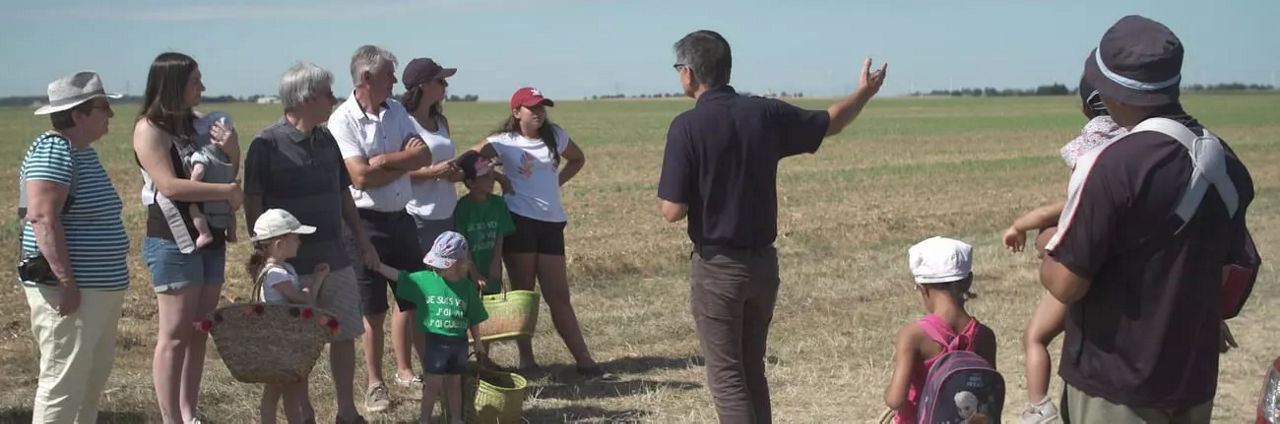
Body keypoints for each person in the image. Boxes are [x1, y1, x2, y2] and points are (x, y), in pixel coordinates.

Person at [656, 29, 885, 423]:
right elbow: (830, 123)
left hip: (718, 269)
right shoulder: (764, 114)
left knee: (727, 379)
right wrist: (863, 93)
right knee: (751, 372)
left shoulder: (686, 127)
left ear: (689, 73)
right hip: (763, 266)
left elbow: (672, 210)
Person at [1040, 15, 1255, 423]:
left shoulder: (1113, 165)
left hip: (1116, 387)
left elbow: (1066, 284)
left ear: (1113, 92)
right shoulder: (1226, 163)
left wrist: (1046, 245)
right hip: (1193, 381)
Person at [243, 62, 377, 424]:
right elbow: (252, 202)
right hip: (291, 267)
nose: (334, 100)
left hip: (336, 257)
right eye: (327, 94)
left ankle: (346, 411)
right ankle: (303, 414)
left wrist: (361, 237)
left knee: (344, 332)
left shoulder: (327, 139)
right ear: (304, 99)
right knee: (298, 344)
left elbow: (343, 193)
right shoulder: (266, 144)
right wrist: (264, 257)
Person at [1000, 76, 1126, 424]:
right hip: (1127, 274)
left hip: (1080, 268)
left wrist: (1023, 226)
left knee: (1035, 336)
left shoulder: (1090, 145)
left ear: (1084, 106)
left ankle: (1038, 407)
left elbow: (1072, 205)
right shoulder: (1143, 144)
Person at [133, 52, 242, 424]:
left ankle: (189, 414)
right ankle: (171, 419)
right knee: (175, 334)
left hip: (211, 236)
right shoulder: (149, 129)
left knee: (199, 331)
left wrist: (232, 149)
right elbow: (168, 186)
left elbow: (224, 170)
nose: (203, 87)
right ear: (174, 84)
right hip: (172, 238)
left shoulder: (198, 125)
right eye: (196, 81)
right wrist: (226, 192)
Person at [467, 86, 604, 378]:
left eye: (542, 107)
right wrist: (498, 177)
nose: (539, 112)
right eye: (532, 107)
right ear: (516, 112)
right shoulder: (503, 142)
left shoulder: (556, 136)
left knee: (559, 296)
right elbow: (469, 160)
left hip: (552, 223)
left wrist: (556, 184)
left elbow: (578, 159)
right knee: (524, 295)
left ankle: (584, 360)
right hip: (519, 221)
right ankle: (526, 361)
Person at [20, 71, 130, 423]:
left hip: (95, 290)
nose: (110, 114)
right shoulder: (54, 149)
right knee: (63, 382)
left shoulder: (80, 152)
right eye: (103, 107)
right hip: (73, 293)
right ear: (79, 114)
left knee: (89, 380)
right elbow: (42, 217)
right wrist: (66, 281)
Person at [328, 44, 432, 412]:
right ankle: (375, 384)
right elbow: (359, 177)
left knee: (415, 298)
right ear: (366, 77)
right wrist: (403, 163)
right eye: (389, 74)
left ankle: (428, 373)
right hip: (363, 225)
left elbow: (424, 155)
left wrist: (385, 160)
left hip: (402, 219)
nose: (395, 81)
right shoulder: (342, 120)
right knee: (372, 309)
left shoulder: (397, 110)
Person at [369, 231, 488, 424]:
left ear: (459, 264)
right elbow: (401, 277)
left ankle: (456, 418)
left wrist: (478, 343)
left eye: (442, 264)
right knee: (433, 383)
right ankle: (425, 419)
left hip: (459, 343)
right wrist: (379, 267)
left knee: (454, 383)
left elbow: (473, 318)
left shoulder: (467, 288)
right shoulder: (426, 279)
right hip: (435, 342)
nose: (436, 268)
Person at [884, 237, 998, 424]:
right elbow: (988, 390)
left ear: (923, 288)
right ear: (969, 280)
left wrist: (888, 393)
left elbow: (896, 400)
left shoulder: (913, 335)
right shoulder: (985, 335)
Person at [245, 209, 326, 424]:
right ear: (279, 244)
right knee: (274, 391)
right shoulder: (275, 274)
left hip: (285, 339)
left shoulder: (284, 269)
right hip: (278, 341)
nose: (300, 242)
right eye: (296, 237)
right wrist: (317, 280)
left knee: (291, 387)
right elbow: (304, 300)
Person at [402, 57, 465, 262]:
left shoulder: (441, 121)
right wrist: (433, 173)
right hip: (419, 214)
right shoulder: (404, 122)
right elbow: (396, 172)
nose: (446, 85)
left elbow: (446, 160)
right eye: (440, 80)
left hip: (447, 211)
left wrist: (456, 172)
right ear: (424, 85)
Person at [453, 151, 515, 296]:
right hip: (469, 270)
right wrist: (473, 272)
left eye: (491, 175)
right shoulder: (462, 208)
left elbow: (499, 237)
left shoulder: (498, 204)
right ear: (470, 182)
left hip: (491, 268)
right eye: (485, 176)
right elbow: (461, 244)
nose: (491, 179)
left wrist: (496, 264)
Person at [186, 112, 239, 248]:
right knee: (230, 213)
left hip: (208, 201)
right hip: (225, 201)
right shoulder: (226, 157)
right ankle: (232, 233)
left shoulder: (202, 154)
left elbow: (199, 171)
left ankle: (204, 233)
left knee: (193, 208)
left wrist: (191, 184)